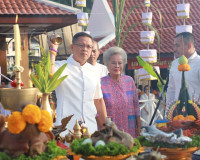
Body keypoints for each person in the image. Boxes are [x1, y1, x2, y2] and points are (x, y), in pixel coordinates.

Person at [49, 32, 107, 136]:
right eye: (81, 45)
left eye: (89, 46)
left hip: (90, 126)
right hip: (66, 128)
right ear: (72, 47)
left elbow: (98, 100)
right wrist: (53, 50)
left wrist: (106, 125)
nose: (85, 49)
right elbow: (49, 77)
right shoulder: (60, 66)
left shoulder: (94, 71)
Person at [101, 46, 141, 138]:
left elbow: (136, 105)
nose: (117, 66)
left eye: (120, 63)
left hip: (130, 129)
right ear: (107, 64)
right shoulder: (101, 83)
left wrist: (139, 127)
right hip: (110, 131)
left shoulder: (129, 81)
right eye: (113, 63)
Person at [166, 32, 200, 105]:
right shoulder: (174, 64)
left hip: (196, 112)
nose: (174, 49)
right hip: (178, 113)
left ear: (189, 46)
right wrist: (169, 111)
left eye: (177, 46)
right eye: (174, 46)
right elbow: (171, 90)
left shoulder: (198, 63)